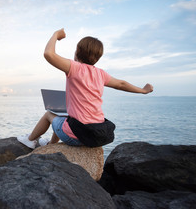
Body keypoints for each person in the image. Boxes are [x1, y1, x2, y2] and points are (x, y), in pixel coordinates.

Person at [17, 28, 154, 149]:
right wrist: (143, 90)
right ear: (97, 57)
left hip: (77, 136)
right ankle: (51, 145)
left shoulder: (74, 67)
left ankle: (30, 140)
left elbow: (49, 54)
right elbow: (121, 84)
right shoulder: (101, 74)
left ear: (77, 51)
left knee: (49, 115)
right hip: (96, 135)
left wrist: (56, 35)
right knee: (64, 116)